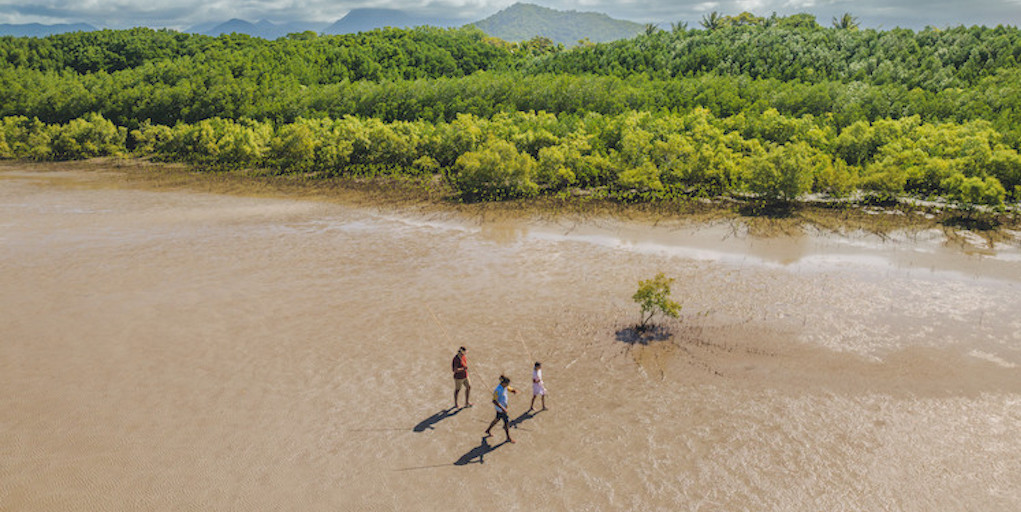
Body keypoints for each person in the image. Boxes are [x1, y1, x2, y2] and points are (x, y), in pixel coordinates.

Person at [485, 375, 518, 443]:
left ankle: (488, 430)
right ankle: (508, 438)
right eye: (507, 384)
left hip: (502, 408)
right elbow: (494, 401)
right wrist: (503, 408)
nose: (508, 385)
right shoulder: (498, 390)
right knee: (506, 422)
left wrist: (512, 390)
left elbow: (508, 388)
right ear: (504, 383)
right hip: (501, 409)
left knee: (497, 419)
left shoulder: (504, 386)